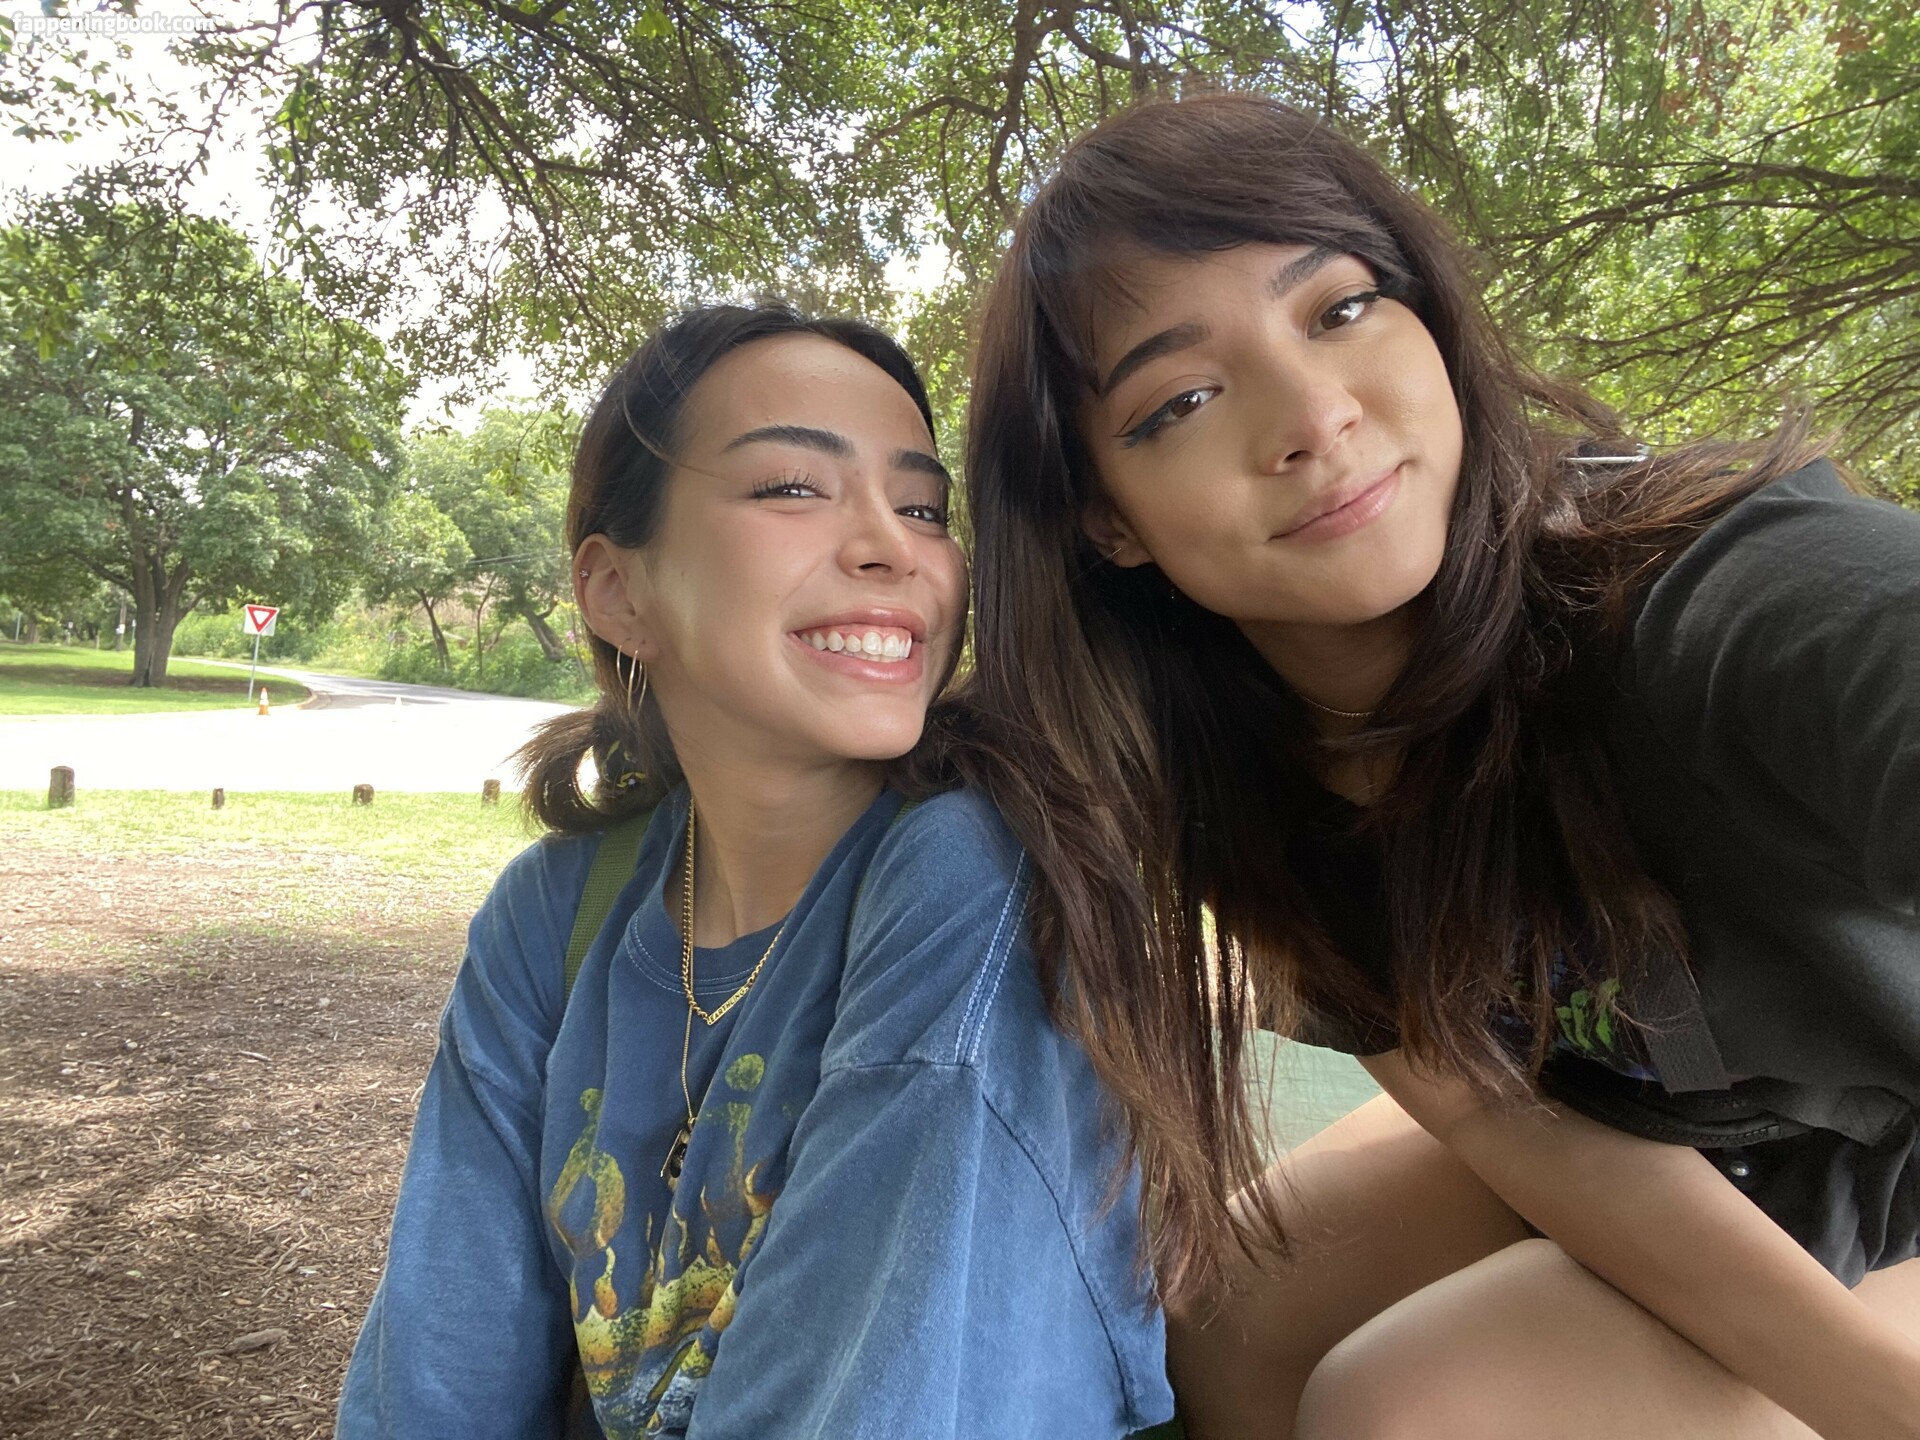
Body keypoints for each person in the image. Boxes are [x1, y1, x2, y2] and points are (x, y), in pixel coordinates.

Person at [934, 93, 1920, 1438]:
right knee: (1214, 1328)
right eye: (1184, 399)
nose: (1315, 415)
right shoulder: (1229, 767)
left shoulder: (1727, 595)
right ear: (1106, 518)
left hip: (1888, 1158)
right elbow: (1505, 1121)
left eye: (1340, 309)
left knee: (1407, 1409)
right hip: (1667, 1133)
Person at [335, 304, 1173, 1439]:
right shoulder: (557, 912)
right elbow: (438, 1372)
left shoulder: (973, 876)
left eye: (923, 508)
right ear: (618, 592)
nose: (892, 546)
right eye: (791, 487)